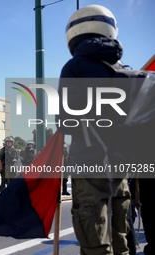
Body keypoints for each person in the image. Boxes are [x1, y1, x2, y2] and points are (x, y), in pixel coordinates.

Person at [56, 5, 131, 254]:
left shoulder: (73, 68)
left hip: (89, 160)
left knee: (93, 235)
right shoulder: (126, 71)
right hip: (122, 162)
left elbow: (65, 120)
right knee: (121, 230)